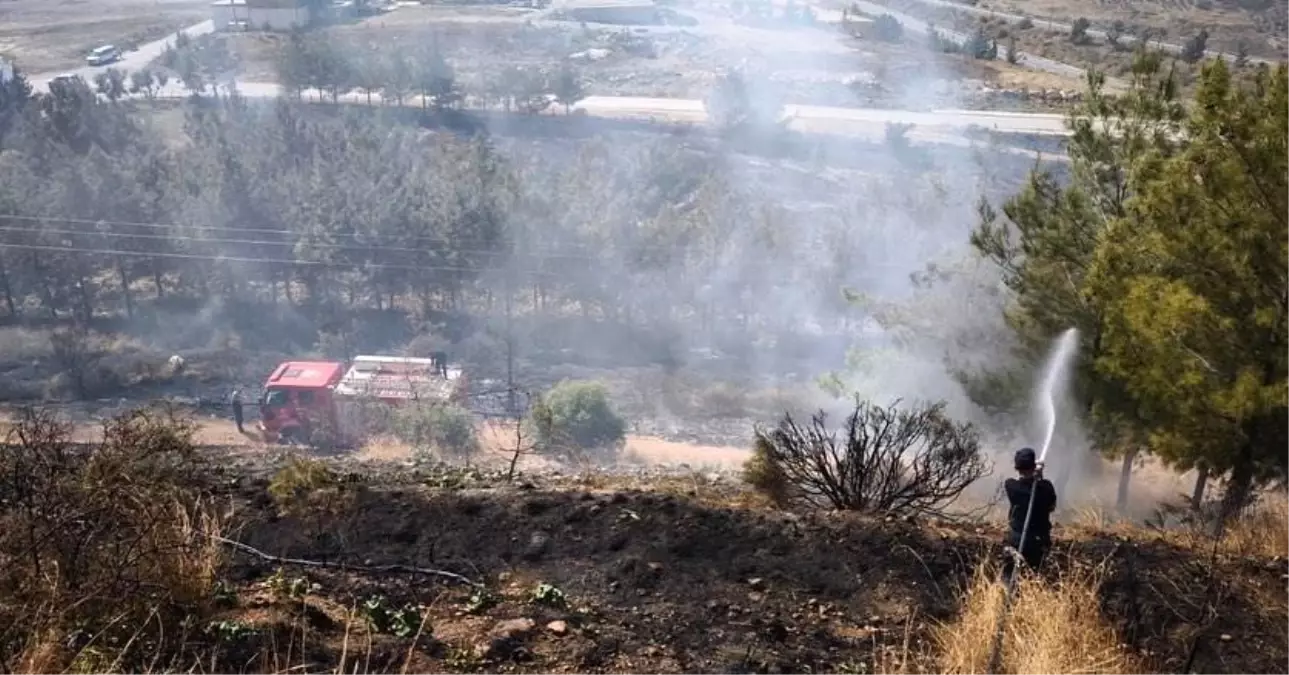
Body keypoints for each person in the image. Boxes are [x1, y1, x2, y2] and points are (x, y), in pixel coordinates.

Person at [1002, 447, 1057, 580]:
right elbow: (1052, 507)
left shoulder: (1011, 486)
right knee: (1035, 575)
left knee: (1010, 576)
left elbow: (1024, 483)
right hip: (1039, 541)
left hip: (1017, 539)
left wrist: (1034, 476)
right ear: (1034, 466)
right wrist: (1039, 476)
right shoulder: (1046, 487)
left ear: (1017, 467)